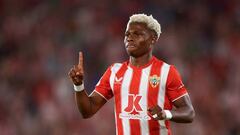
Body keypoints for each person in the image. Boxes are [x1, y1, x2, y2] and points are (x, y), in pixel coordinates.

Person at [68, 13, 195, 135]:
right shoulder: (114, 71)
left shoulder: (166, 72)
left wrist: (166, 114)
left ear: (153, 38)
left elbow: (189, 112)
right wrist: (79, 86)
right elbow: (88, 111)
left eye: (137, 34)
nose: (129, 37)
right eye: (127, 34)